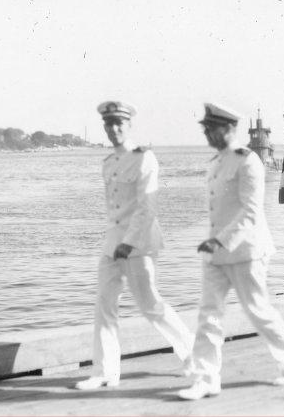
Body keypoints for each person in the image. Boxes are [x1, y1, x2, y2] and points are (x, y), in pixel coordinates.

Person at [177, 103, 284, 401]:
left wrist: (219, 241)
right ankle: (206, 378)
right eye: (206, 129)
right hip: (217, 253)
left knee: (258, 311)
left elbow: (250, 211)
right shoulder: (216, 163)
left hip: (246, 250)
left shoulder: (248, 162)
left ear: (230, 129)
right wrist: (215, 243)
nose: (208, 134)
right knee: (208, 315)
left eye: (213, 129)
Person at [74, 100, 194, 390]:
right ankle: (105, 372)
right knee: (104, 305)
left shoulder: (144, 158)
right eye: (109, 124)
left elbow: (147, 207)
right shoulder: (109, 162)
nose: (113, 129)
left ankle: (194, 355)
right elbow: (114, 210)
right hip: (112, 244)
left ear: (129, 126)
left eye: (119, 124)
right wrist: (115, 243)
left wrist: (128, 244)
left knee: (150, 305)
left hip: (138, 244)